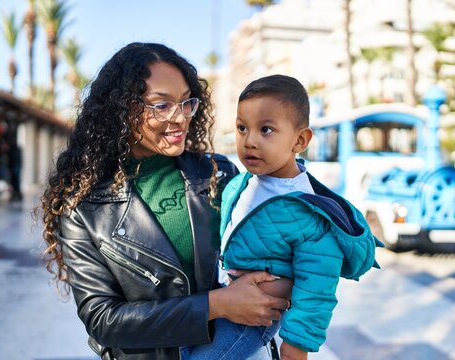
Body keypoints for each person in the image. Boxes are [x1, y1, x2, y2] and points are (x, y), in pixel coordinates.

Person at [37, 42, 291, 360]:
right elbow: (103, 320)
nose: (181, 118)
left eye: (187, 103)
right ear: (123, 110)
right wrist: (217, 304)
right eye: (162, 105)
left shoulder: (218, 174)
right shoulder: (83, 209)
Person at [183, 75, 383, 360]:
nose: (249, 141)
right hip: (225, 299)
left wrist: (297, 343)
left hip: (254, 319)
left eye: (266, 130)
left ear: (300, 140)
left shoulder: (309, 212)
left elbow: (317, 285)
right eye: (242, 128)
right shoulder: (242, 184)